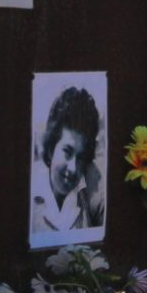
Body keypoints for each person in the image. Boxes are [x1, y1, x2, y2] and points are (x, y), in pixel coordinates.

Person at [32, 85, 107, 241]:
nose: (73, 168)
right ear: (52, 147)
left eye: (80, 158)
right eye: (67, 151)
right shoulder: (31, 194)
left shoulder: (89, 192)